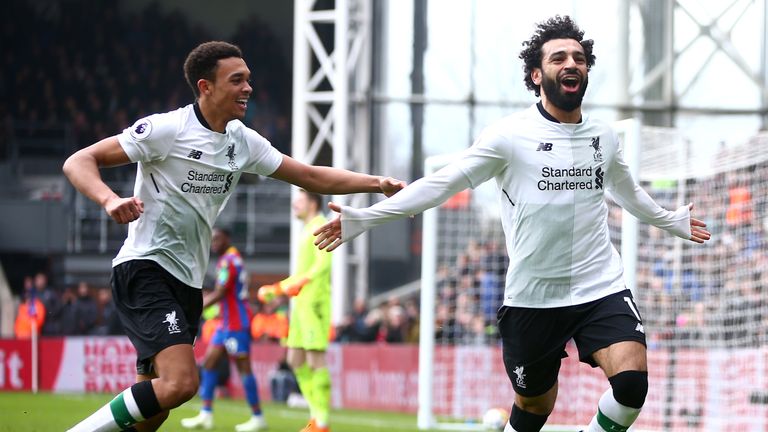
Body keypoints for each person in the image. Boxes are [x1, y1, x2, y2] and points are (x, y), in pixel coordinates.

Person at [313, 16, 711, 432]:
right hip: (533, 297)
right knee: (535, 407)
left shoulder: (604, 137)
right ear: (537, 75)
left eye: (579, 58)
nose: (571, 63)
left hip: (599, 285)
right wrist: (364, 218)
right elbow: (442, 184)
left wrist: (671, 221)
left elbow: (628, 192)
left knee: (631, 384)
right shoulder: (508, 136)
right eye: (558, 58)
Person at [63, 41, 404, 432]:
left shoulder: (242, 141)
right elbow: (79, 161)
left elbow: (310, 176)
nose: (248, 88)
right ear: (206, 87)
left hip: (188, 282)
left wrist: (376, 183)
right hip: (145, 268)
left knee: (155, 407)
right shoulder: (167, 129)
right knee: (181, 383)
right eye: (237, 80)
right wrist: (109, 199)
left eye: (248, 80)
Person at [258, 190, 332, 432]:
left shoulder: (320, 226)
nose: (294, 205)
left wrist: (302, 282)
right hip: (300, 305)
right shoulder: (307, 229)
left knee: (315, 359)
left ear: (312, 203)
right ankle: (315, 418)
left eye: (299, 201)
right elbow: (301, 274)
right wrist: (277, 289)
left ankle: (322, 422)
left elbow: (323, 265)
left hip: (315, 304)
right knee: (295, 360)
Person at [180, 227, 266, 431]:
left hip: (237, 324)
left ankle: (258, 417)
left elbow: (220, 292)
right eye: (212, 240)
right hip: (225, 323)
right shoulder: (232, 259)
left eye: (217, 239)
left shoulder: (229, 261)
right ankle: (206, 414)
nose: (214, 243)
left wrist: (195, 308)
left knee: (243, 368)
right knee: (209, 363)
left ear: (227, 238)